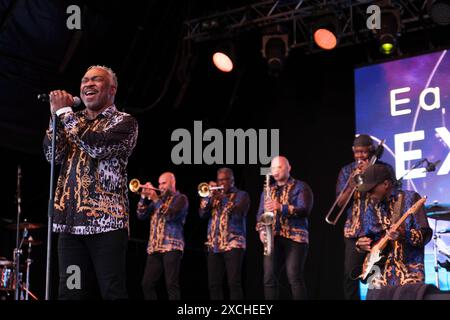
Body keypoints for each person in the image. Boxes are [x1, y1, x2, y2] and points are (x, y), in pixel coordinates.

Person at [43, 65, 138, 299]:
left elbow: (96, 145)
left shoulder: (124, 122)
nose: (88, 84)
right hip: (70, 224)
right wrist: (55, 119)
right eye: (85, 80)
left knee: (112, 292)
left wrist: (64, 113)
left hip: (107, 225)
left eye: (96, 80)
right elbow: (51, 156)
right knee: (70, 293)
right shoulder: (69, 121)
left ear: (111, 89)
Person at [355, 164, 432, 297]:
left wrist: (403, 234)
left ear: (386, 184)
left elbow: (425, 235)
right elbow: (366, 237)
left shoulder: (411, 199)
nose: (368, 193)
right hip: (379, 274)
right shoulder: (371, 207)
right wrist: (361, 245)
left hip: (408, 272)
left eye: (372, 189)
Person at [336, 134, 394, 300]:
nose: (360, 155)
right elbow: (340, 203)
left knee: (377, 273)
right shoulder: (347, 171)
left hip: (378, 229)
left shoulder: (385, 169)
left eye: (363, 152)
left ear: (372, 150)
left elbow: (393, 193)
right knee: (350, 275)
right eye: (357, 152)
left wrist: (371, 175)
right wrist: (353, 184)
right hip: (354, 231)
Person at [256, 156, 313, 300]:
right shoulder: (268, 189)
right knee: (269, 278)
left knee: (294, 276)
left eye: (279, 167)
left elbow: (305, 210)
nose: (275, 171)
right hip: (273, 236)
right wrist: (261, 230)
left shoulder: (301, 186)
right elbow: (260, 214)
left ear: (289, 168)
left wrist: (281, 207)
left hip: (295, 237)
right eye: (273, 168)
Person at [199, 168, 250, 300]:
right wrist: (208, 197)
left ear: (232, 181)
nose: (222, 182)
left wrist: (223, 199)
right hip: (214, 245)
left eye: (225, 179)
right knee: (213, 285)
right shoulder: (213, 197)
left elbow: (239, 214)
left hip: (233, 243)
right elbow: (202, 214)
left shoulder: (241, 195)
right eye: (219, 180)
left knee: (234, 284)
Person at [137, 172, 188, 300]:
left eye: (164, 183)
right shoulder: (157, 201)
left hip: (172, 246)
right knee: (146, 284)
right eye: (159, 183)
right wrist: (143, 197)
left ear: (173, 183)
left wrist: (155, 199)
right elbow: (141, 215)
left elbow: (170, 215)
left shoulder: (181, 199)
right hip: (155, 248)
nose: (160, 186)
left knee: (171, 285)